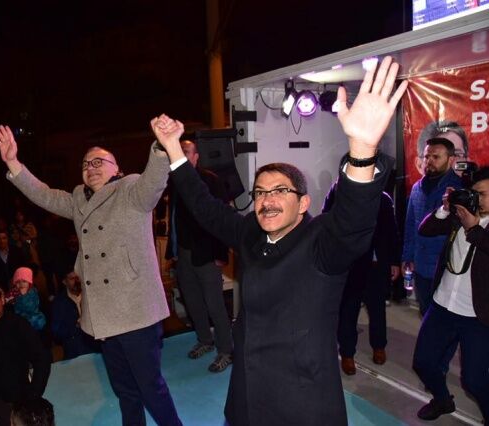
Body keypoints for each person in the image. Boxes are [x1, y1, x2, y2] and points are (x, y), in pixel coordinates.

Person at [151, 57, 407, 425]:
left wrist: (363, 151)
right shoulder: (250, 233)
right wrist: (174, 150)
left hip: (301, 398)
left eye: (280, 191)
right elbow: (205, 207)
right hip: (248, 392)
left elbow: (353, 222)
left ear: (303, 203)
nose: (267, 200)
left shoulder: (322, 242)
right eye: (259, 192)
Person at [0, 121, 182, 425]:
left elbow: (154, 182)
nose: (90, 167)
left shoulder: (130, 188)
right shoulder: (79, 200)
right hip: (105, 315)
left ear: (116, 168)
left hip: (136, 311)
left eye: (98, 162)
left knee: (151, 389)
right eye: (85, 164)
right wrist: (14, 162)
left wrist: (162, 147)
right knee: (125, 390)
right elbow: (44, 195)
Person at [412, 166, 489, 422]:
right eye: (475, 193)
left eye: (484, 194)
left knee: (474, 381)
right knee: (423, 363)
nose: (478, 199)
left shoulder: (473, 222)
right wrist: (445, 208)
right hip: (443, 304)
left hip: (478, 315)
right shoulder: (460, 215)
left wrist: (475, 228)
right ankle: (443, 400)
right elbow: (425, 229)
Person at [167, 139, 232, 372]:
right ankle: (205, 340)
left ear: (196, 157)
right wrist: (173, 251)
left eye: (186, 151)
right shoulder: (175, 181)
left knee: (215, 305)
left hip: (207, 254)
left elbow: (223, 219)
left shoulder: (211, 180)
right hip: (183, 254)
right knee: (193, 302)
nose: (181, 154)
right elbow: (174, 218)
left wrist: (221, 254)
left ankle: (226, 351)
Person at [323, 188, 401, 375]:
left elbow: (392, 232)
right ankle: (347, 353)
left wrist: (394, 261)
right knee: (348, 310)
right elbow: (326, 224)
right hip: (350, 264)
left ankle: (379, 346)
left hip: (376, 265)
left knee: (377, 309)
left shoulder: (383, 198)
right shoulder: (338, 192)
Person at [402, 137, 463, 315]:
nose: (429, 161)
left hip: (446, 267)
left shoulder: (459, 190)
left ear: (451, 159)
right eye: (427, 156)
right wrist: (408, 257)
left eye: (436, 157)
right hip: (421, 265)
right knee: (425, 312)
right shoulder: (417, 188)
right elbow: (410, 227)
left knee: (445, 318)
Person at [0, 285, 51, 403]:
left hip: (19, 396)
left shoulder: (18, 325)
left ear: (3, 300)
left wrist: (34, 394)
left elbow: (41, 358)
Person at [50, 269, 99, 359]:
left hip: (96, 348)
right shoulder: (59, 303)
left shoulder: (91, 295)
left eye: (78, 278)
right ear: (64, 282)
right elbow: (56, 333)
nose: (76, 281)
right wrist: (76, 326)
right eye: (72, 278)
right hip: (75, 352)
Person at [8, 267, 46, 332]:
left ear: (29, 282)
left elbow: (31, 308)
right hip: (21, 318)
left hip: (34, 318)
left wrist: (23, 296)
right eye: (18, 282)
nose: (21, 284)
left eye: (24, 281)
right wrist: (10, 300)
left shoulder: (32, 292)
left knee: (36, 322)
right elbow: (10, 301)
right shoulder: (15, 292)